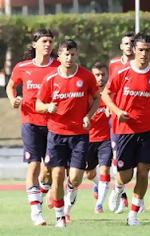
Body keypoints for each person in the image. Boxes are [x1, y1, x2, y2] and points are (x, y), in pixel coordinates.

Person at [102, 32, 150, 226]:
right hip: (124, 130)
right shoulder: (122, 72)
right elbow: (106, 95)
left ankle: (133, 214)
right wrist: (116, 111)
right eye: (140, 50)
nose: (144, 54)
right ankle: (118, 187)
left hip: (148, 130)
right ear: (134, 50)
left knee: (143, 171)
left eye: (148, 50)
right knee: (126, 175)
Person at [36, 39, 99, 228]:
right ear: (59, 56)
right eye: (66, 54)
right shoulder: (50, 79)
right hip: (56, 134)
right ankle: (59, 216)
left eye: (72, 54)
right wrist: (48, 107)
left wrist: (89, 115)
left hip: (79, 134)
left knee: (75, 178)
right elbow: (38, 104)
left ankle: (70, 191)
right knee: (57, 176)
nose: (69, 58)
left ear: (76, 54)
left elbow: (96, 98)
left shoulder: (86, 77)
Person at [6, 29, 59, 226]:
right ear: (35, 44)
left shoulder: (59, 67)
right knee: (34, 165)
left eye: (50, 41)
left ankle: (43, 192)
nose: (48, 45)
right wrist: (13, 100)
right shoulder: (23, 67)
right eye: (44, 41)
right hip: (30, 122)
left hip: (54, 124)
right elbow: (10, 86)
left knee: (49, 170)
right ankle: (36, 211)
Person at [107, 31, 135, 213]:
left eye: (132, 43)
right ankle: (120, 193)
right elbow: (110, 88)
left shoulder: (142, 65)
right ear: (121, 46)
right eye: (126, 43)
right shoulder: (114, 64)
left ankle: (135, 199)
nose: (129, 46)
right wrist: (112, 107)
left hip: (138, 120)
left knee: (140, 164)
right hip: (117, 119)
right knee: (118, 159)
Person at [84, 62, 113, 214]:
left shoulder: (111, 93)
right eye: (97, 75)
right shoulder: (87, 94)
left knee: (105, 170)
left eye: (103, 75)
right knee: (89, 174)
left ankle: (99, 204)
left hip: (106, 139)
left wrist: (112, 109)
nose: (100, 78)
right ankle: (97, 184)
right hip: (88, 139)